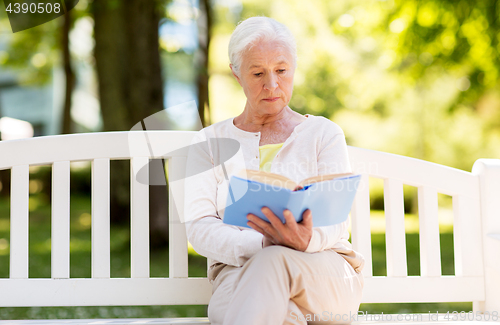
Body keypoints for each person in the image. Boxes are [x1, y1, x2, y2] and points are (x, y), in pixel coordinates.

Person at [183, 16, 364, 325]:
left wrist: (303, 240)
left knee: (274, 264)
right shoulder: (209, 143)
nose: (272, 85)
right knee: (283, 313)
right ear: (237, 75)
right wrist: (262, 243)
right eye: (257, 73)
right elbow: (200, 228)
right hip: (238, 275)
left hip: (323, 273)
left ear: (294, 68)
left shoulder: (324, 133)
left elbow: (337, 222)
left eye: (281, 71)